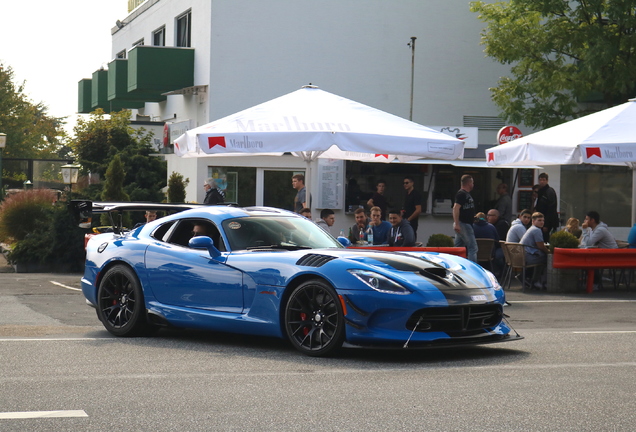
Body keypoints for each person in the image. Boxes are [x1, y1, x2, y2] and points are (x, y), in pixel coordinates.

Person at [520, 212, 549, 288]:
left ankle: (527, 277)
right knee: (548, 259)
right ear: (533, 221)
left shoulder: (531, 229)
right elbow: (541, 246)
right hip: (527, 257)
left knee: (543, 257)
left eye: (543, 220)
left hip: (522, 255)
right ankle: (539, 281)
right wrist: (549, 253)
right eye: (539, 220)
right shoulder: (536, 230)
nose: (542, 222)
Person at [452, 174, 478, 262]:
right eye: (472, 182)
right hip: (463, 223)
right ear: (469, 183)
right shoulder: (461, 194)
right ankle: (473, 270)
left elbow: (465, 209)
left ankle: (456, 264)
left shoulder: (466, 194)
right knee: (473, 248)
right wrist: (457, 223)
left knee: (459, 247)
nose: (473, 185)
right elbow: (456, 208)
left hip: (465, 223)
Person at [535, 173, 559, 242]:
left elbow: (551, 208)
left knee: (546, 239)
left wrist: (546, 224)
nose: (542, 181)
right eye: (540, 180)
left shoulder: (549, 191)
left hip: (548, 221)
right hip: (540, 220)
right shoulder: (540, 191)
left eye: (543, 180)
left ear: (547, 181)